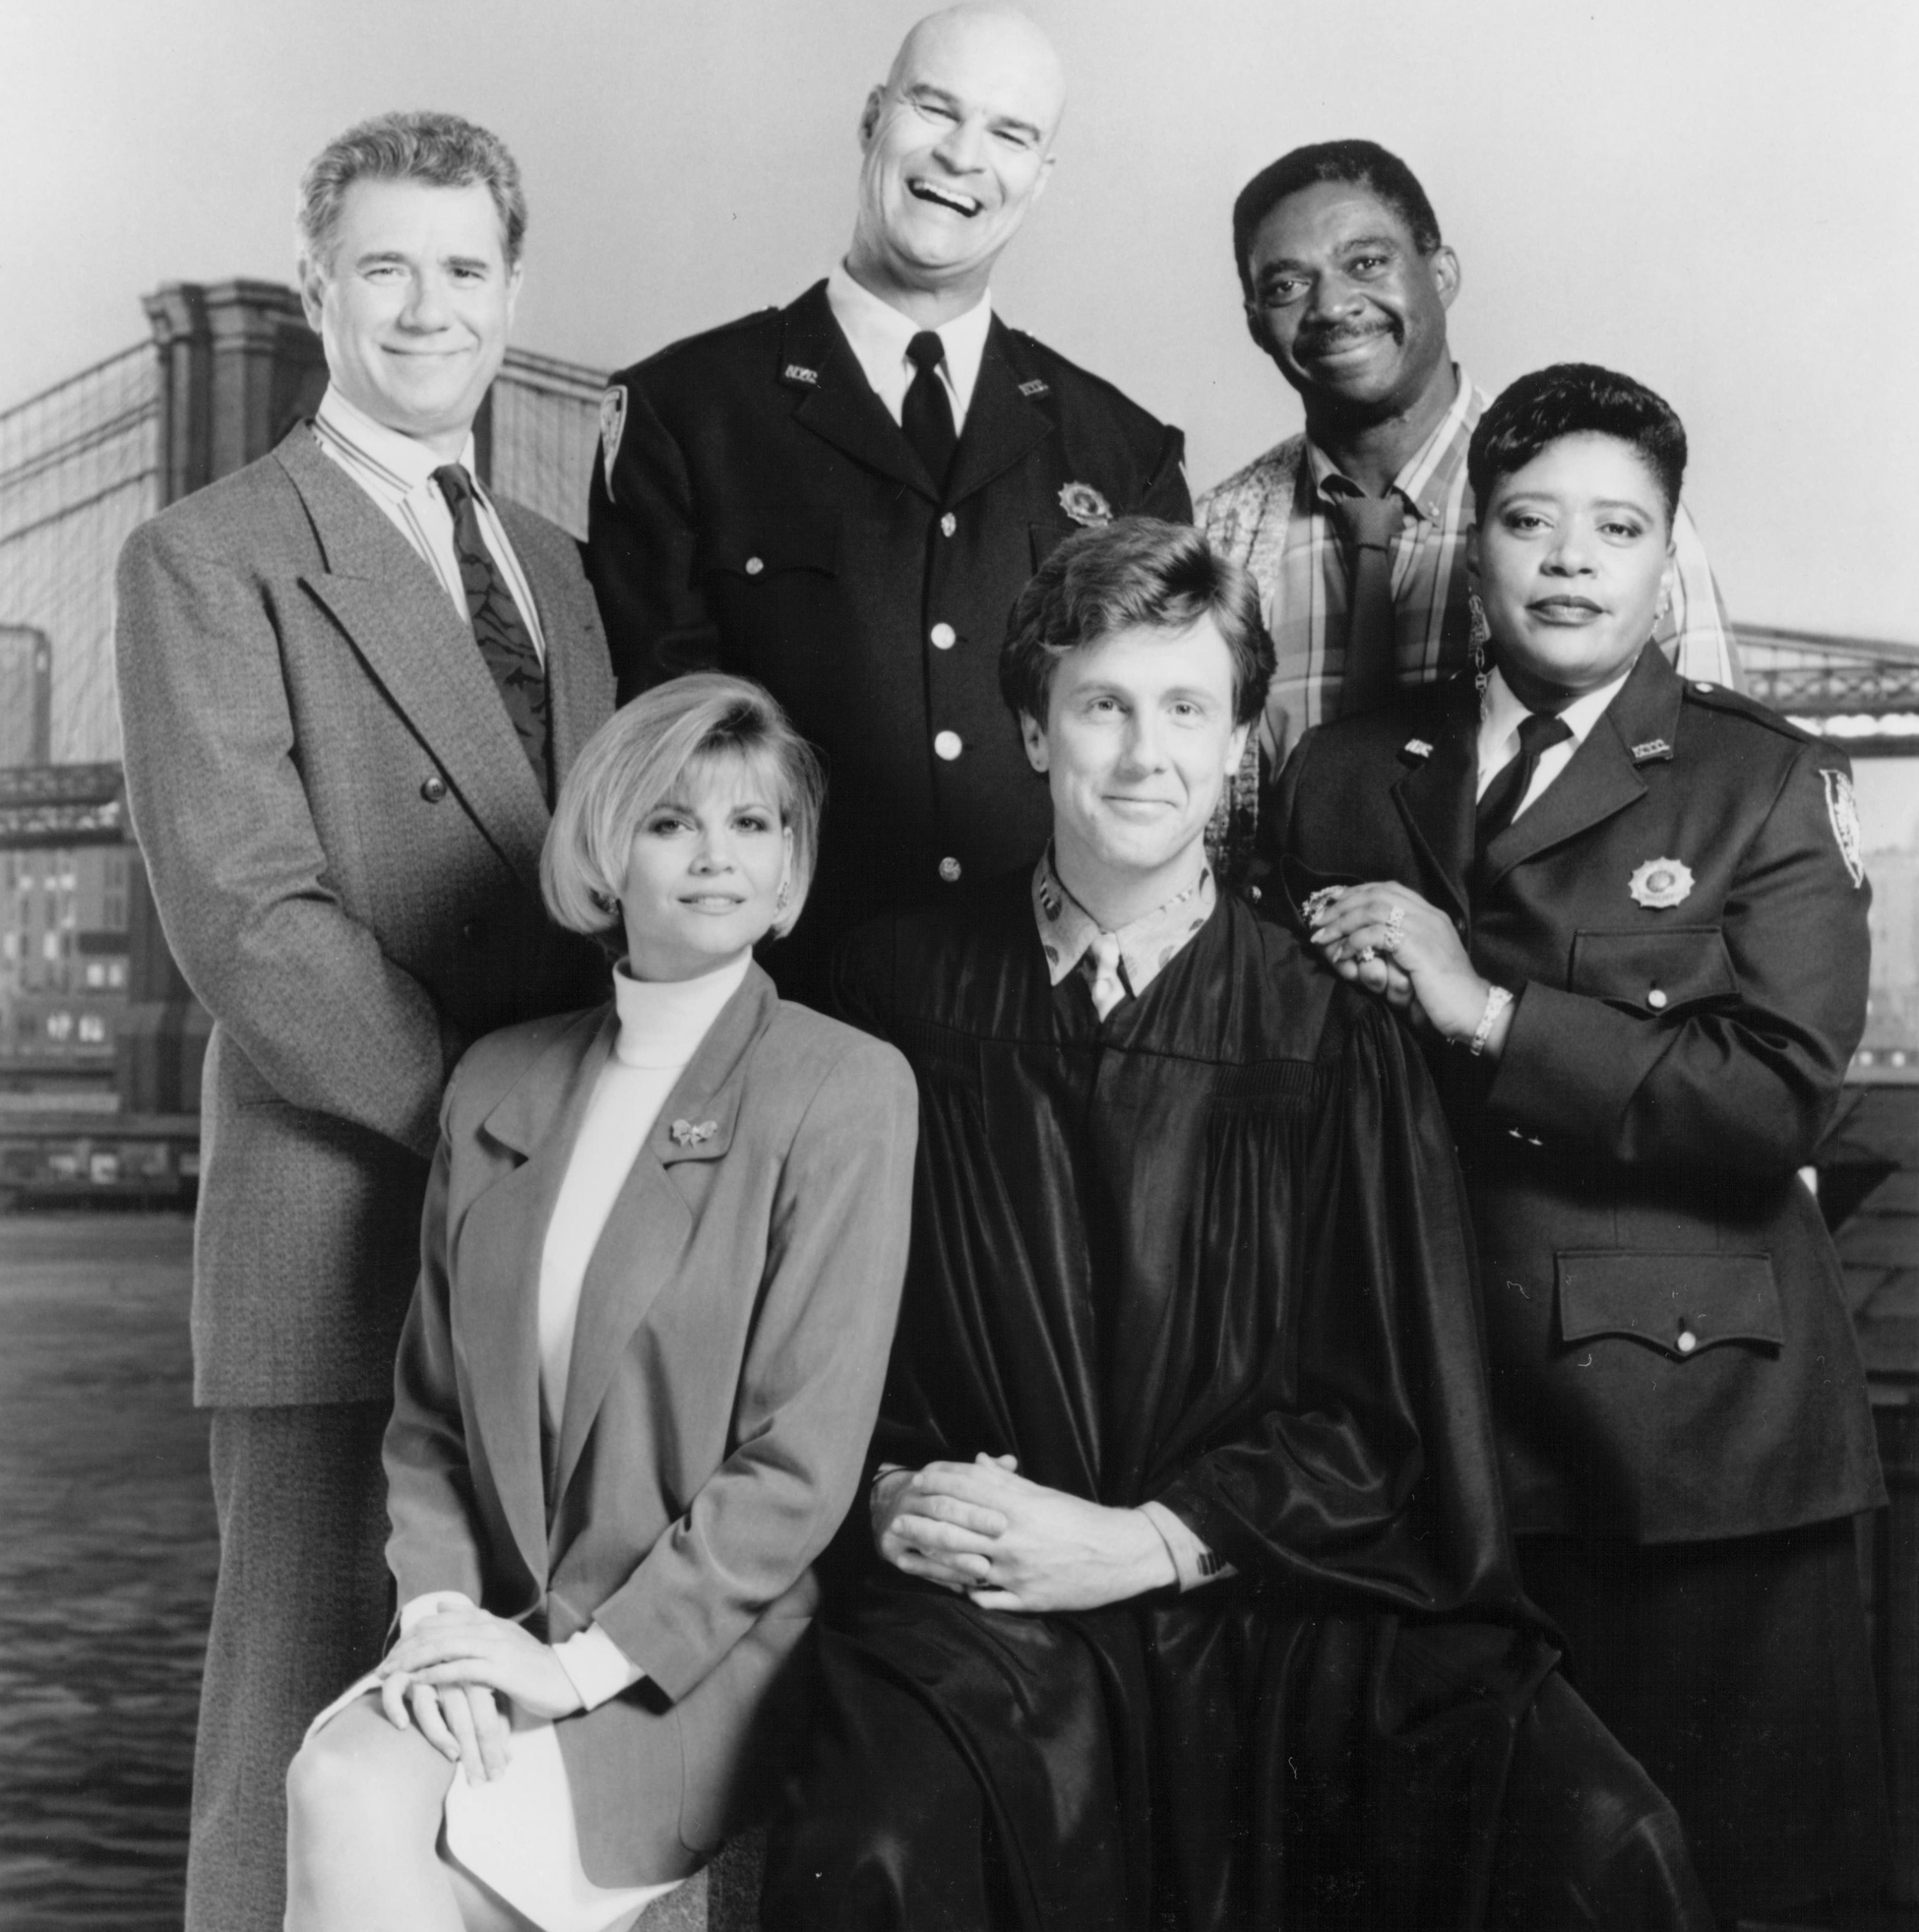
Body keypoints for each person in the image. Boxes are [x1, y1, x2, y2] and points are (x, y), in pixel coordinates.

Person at [763, 518, 1709, 1931]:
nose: (1146, 756)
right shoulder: (891, 998)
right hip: (991, 1583)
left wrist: (1150, 1541)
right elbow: (806, 1347)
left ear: (1240, 743)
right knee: (879, 1846)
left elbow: (1392, 1412)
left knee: (1596, 1836)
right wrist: (896, 1500)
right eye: (1102, 707)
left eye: (1187, 710)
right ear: (1031, 732)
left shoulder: (1329, 1023)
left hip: (1277, 1585)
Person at [1272, 363, 1890, 1922]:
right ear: (1469, 545)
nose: (1566, 559)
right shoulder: (1345, 770)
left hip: (1696, 1456)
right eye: (1528, 519)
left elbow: (1775, 1101)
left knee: (1736, 1890)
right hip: (1420, 1425)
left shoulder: (1758, 781)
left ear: (1665, 556)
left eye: (1614, 527)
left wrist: (1482, 1010)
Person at [113, 111, 617, 1930]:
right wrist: (512, 1133)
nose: (427, 308)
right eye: (384, 267)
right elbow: (253, 920)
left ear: (512, 290)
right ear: (316, 284)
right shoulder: (206, 554)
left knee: (525, 1731)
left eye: (465, 269)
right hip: (355, 1220)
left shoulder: (564, 566)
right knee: (301, 1715)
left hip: (566, 1232)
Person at [283, 673, 917, 1932]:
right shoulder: (498, 1080)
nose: (718, 857)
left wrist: (567, 1665)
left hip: (683, 1661)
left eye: (757, 825)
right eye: (673, 820)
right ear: (605, 848)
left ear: (792, 871)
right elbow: (429, 1419)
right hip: (491, 1630)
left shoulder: (843, 1088)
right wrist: (449, 1622)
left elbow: (798, 1466)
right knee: (339, 1777)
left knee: (383, 1836)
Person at [586, 3, 1189, 999]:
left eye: (1009, 133)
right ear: (873, 118)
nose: (962, 155)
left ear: (1042, 177)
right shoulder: (685, 410)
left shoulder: (1121, 449)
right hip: (784, 1007)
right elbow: (664, 749)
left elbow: (1154, 753)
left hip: (1044, 1014)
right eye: (933, 107)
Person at [1199, 139, 1741, 780]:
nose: (1332, 307)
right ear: (1256, 321)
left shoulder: (1614, 512)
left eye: (1367, 262)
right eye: (1287, 285)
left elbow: (1718, 793)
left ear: (1443, 275)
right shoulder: (1214, 538)